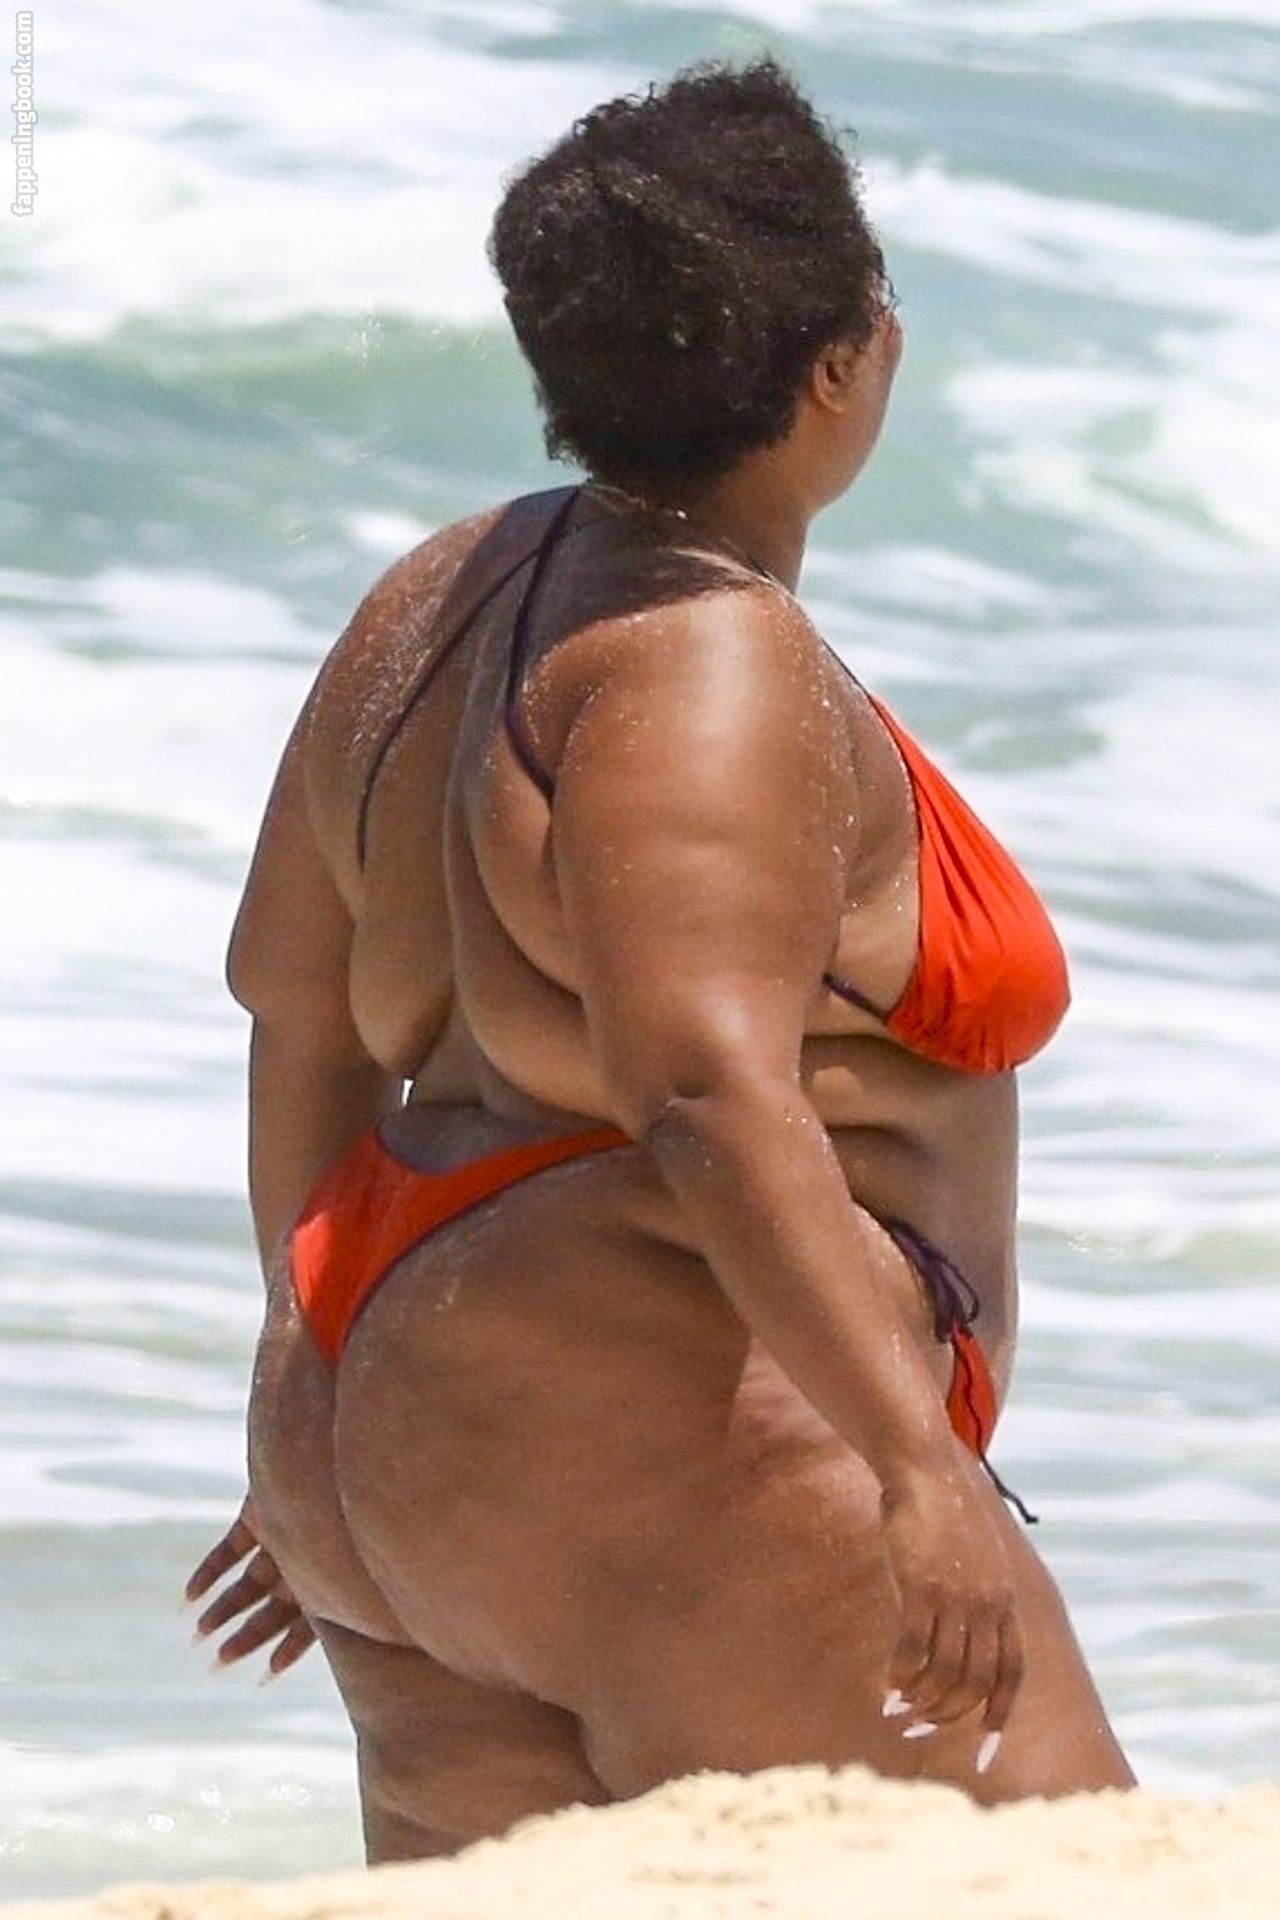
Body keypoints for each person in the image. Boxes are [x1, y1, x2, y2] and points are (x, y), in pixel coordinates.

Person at [185, 56, 1134, 1862]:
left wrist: (317, 1393)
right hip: (678, 1446)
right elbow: (697, 1087)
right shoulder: (708, 657)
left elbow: (297, 1018)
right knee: (1088, 1890)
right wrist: (915, 1469)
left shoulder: (436, 599)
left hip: (402, 1436)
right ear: (844, 358)